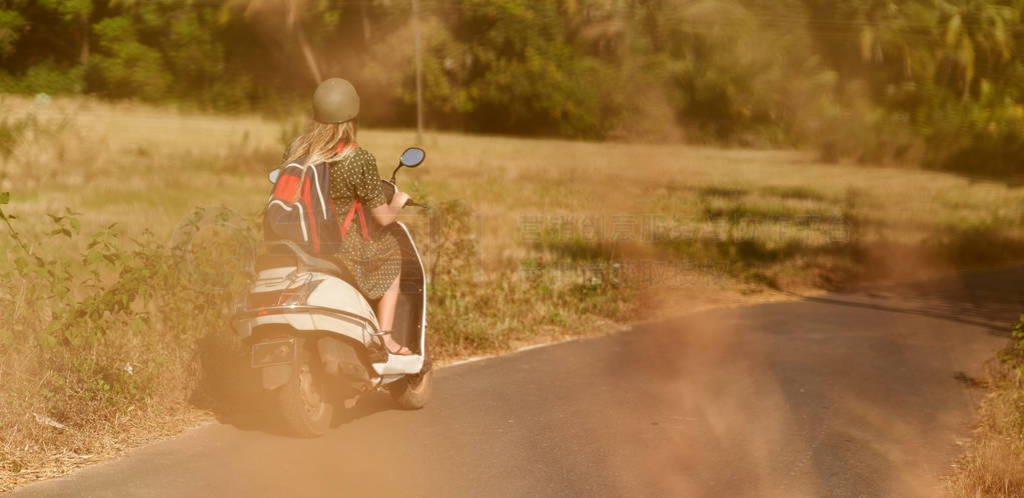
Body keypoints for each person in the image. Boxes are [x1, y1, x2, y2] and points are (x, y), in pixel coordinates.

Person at [281, 77, 413, 355]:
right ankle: (386, 338)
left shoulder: (297, 150)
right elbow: (383, 218)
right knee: (391, 256)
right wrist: (399, 201)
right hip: (340, 248)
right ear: (351, 118)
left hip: (299, 239)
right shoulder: (357, 159)